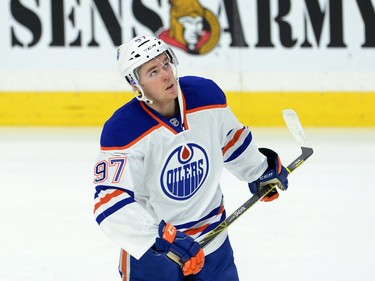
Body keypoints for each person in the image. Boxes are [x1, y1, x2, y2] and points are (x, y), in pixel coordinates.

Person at [93, 35, 289, 281]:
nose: (166, 74)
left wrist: (258, 171)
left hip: (213, 243)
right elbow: (109, 202)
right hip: (156, 256)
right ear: (135, 84)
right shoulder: (123, 129)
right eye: (153, 72)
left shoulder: (205, 96)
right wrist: (161, 237)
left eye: (166, 64)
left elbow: (230, 140)